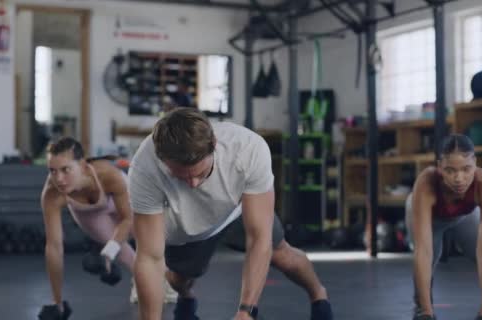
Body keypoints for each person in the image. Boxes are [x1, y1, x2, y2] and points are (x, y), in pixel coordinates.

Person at [129, 108, 334, 320]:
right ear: (162, 159)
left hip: (237, 209)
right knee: (178, 279)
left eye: (200, 174)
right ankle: (187, 297)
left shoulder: (247, 149)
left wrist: (246, 311)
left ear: (214, 146)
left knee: (282, 254)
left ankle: (318, 294)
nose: (193, 184)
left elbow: (259, 240)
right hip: (186, 228)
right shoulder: (145, 168)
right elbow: (149, 258)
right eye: (181, 177)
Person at [39, 137, 178, 315]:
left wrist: (109, 250)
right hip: (89, 213)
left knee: (144, 235)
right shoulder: (52, 194)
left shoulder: (107, 174)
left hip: (119, 199)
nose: (59, 179)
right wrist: (57, 302)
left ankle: (166, 277)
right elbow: (54, 247)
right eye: (52, 171)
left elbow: (126, 219)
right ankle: (140, 280)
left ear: (81, 165)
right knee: (116, 247)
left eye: (65, 170)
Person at [406, 134, 482, 320]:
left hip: (464, 216)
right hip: (431, 219)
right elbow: (424, 250)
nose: (459, 178)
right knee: (430, 258)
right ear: (439, 167)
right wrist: (427, 314)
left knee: (478, 252)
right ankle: (423, 301)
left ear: (475, 163)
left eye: (466, 169)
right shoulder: (426, 183)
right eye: (450, 170)